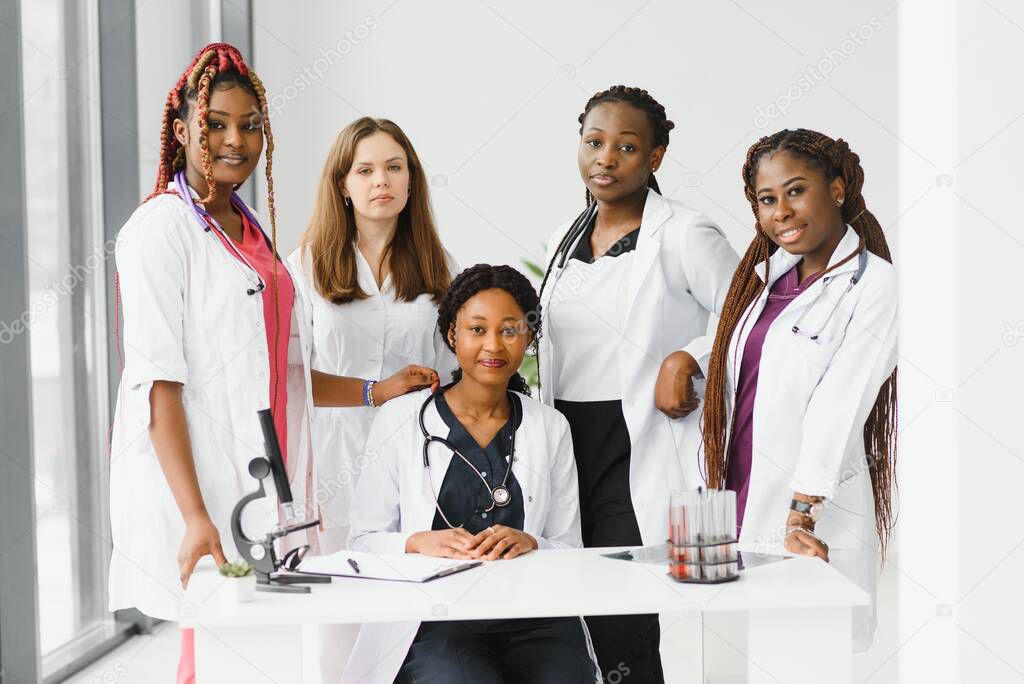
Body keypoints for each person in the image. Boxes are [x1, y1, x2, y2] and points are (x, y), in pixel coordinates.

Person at [108, 43, 436, 683]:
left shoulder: (250, 232)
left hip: (269, 486)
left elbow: (285, 377)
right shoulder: (160, 229)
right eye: (217, 124)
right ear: (182, 132)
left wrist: (379, 389)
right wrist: (197, 515)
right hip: (203, 488)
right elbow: (156, 385)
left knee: (275, 652)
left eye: (251, 125)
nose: (237, 140)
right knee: (222, 651)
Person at [537, 85, 738, 682]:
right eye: (594, 142)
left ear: (654, 159)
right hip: (566, 441)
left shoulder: (684, 233)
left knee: (624, 612)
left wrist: (689, 355)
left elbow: (748, 315)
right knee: (571, 610)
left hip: (632, 443)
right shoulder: (562, 240)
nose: (605, 158)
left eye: (626, 147)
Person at [344, 264, 598, 684]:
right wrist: (416, 541)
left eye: (510, 330)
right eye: (477, 330)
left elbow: (569, 545)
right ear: (451, 335)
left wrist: (532, 541)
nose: (493, 345)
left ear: (529, 337)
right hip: (437, 619)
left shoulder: (550, 426)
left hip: (533, 614)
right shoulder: (400, 420)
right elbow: (362, 543)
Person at [701, 128, 898, 650]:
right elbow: (738, 365)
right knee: (739, 660)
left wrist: (802, 511)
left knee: (805, 656)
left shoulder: (876, 285)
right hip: (737, 496)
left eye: (795, 190)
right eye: (767, 200)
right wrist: (686, 359)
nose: (780, 211)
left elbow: (843, 401)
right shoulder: (764, 282)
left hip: (805, 510)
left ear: (836, 189)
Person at [288, 116, 458, 681]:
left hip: (417, 465)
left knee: (408, 617)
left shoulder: (441, 269)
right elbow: (286, 376)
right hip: (334, 464)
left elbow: (457, 374)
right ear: (343, 183)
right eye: (365, 169)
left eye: (393, 167)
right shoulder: (306, 268)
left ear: (412, 182)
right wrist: (375, 391)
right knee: (340, 620)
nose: (380, 180)